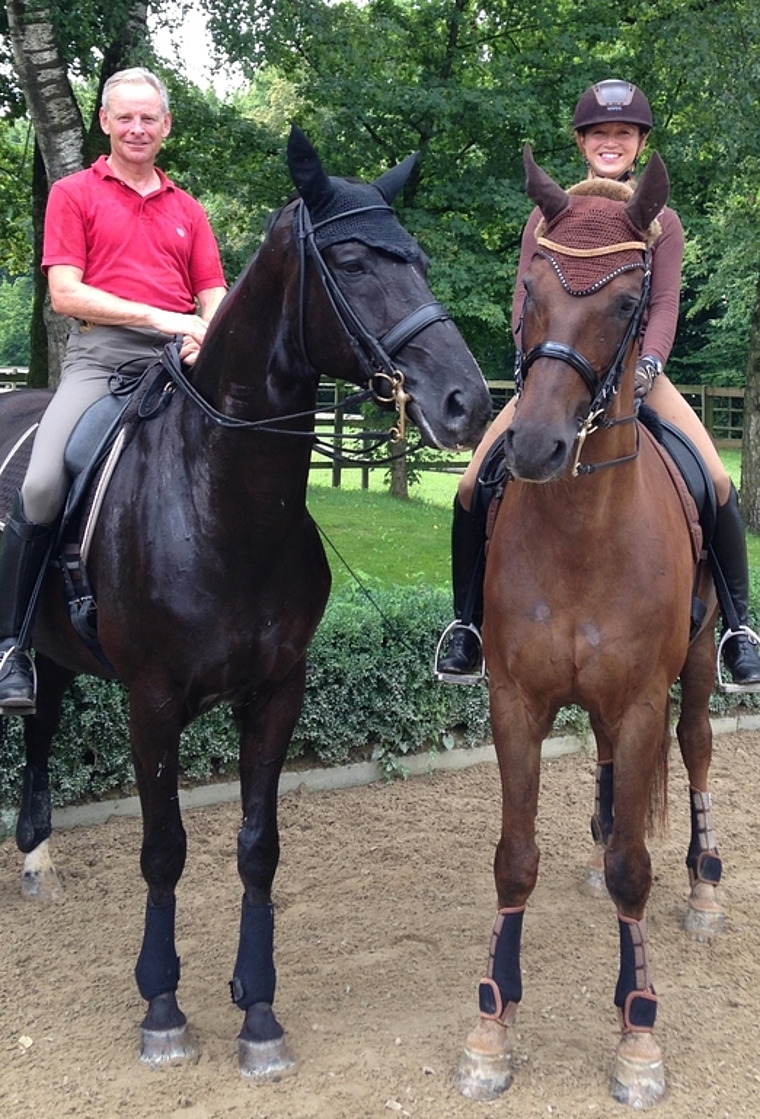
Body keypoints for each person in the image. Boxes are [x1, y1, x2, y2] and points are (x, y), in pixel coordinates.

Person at [435, 78, 760, 689]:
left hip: (636, 371)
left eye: (624, 133)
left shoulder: (661, 219)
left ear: (639, 144)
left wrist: (648, 367)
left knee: (716, 479)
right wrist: (530, 360)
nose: (611, 142)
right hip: (557, 370)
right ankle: (466, 626)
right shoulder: (549, 213)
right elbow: (525, 296)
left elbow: (662, 303)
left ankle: (739, 629)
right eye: (600, 133)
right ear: (582, 142)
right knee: (472, 480)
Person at [0, 67, 227, 714]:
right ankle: (10, 646)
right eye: (124, 117)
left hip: (181, 360)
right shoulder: (74, 193)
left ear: (166, 127)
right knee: (42, 481)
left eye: (148, 118)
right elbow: (65, 292)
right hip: (102, 357)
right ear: (104, 121)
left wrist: (205, 334)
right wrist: (164, 318)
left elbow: (213, 298)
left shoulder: (188, 210)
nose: (136, 128)